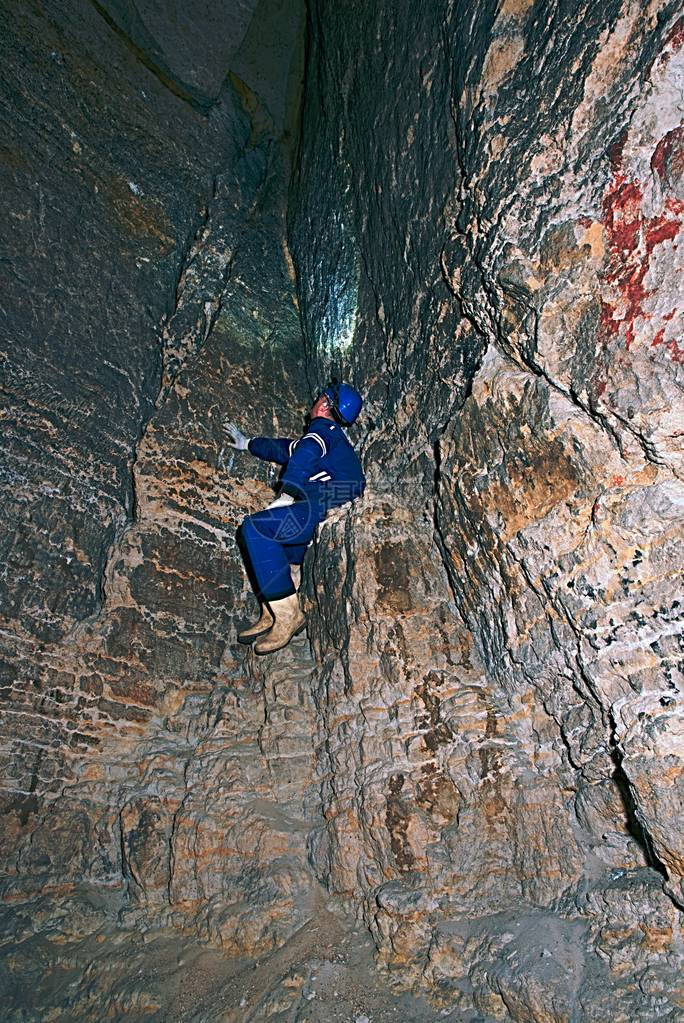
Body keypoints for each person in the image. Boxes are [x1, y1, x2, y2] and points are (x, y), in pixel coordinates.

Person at [223, 381, 365, 654]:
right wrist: (247, 443)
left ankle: (289, 616)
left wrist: (287, 495)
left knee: (257, 530)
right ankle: (273, 613)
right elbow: (282, 449)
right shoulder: (329, 441)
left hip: (324, 507)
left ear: (324, 404)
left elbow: (303, 456)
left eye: (320, 396)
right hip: (320, 510)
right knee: (284, 553)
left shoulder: (322, 432)